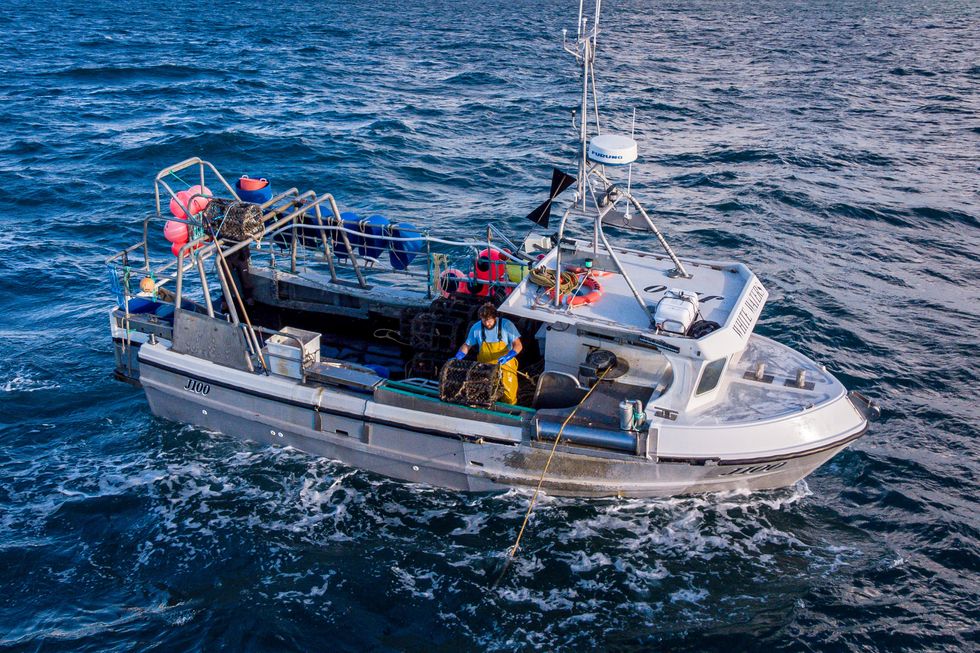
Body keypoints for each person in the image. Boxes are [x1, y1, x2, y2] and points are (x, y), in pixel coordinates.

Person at [453, 303, 523, 405]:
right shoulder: (476, 328)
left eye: (489, 320)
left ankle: (509, 412)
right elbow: (467, 345)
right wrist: (459, 356)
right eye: (484, 320)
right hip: (485, 367)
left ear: (495, 317)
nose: (487, 323)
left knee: (509, 395)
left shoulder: (506, 325)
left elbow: (518, 345)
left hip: (505, 365)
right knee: (483, 392)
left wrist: (508, 356)